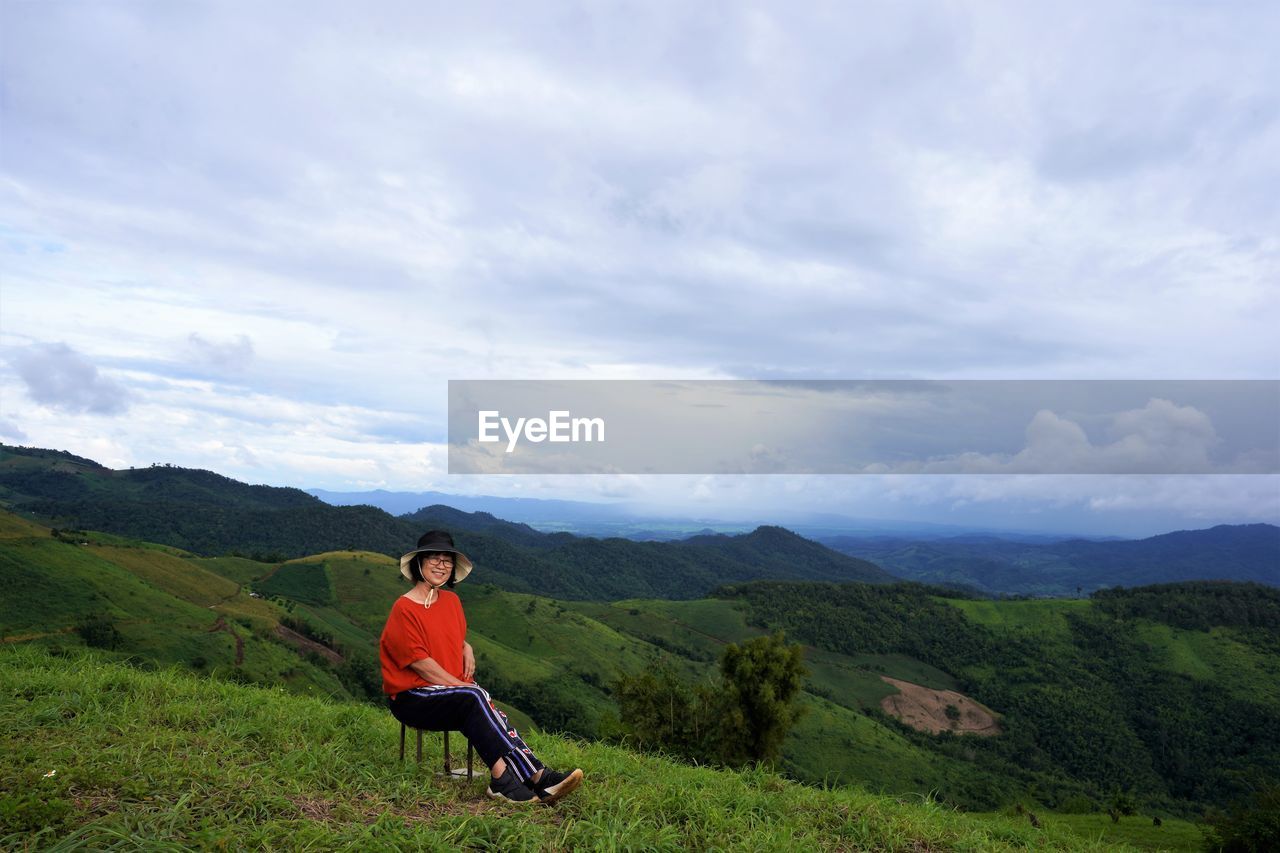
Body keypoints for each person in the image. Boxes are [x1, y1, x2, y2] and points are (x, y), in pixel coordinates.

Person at [380, 530, 584, 804]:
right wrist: (464, 686)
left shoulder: (451, 601)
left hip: (448, 694)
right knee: (476, 695)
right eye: (434, 558)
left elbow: (451, 636)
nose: (441, 565)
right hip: (412, 698)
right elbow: (422, 664)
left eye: (447, 560)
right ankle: (504, 779)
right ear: (419, 563)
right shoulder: (403, 608)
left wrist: (467, 646)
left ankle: (537, 776)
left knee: (484, 705)